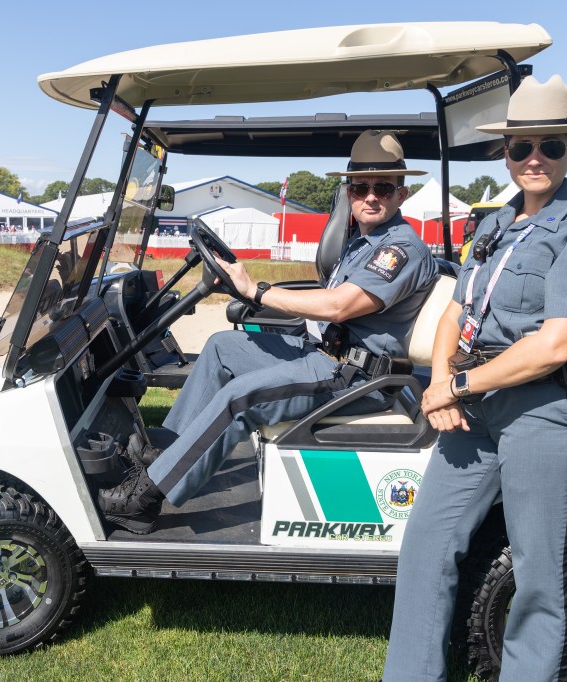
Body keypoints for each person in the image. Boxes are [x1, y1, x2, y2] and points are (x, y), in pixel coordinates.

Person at [382, 75, 567, 681]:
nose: (534, 158)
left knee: (541, 575)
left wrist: (458, 386)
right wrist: (441, 383)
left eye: (551, 145)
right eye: (521, 147)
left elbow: (555, 344)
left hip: (541, 412)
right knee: (425, 549)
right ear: (505, 153)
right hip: (471, 409)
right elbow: (456, 314)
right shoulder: (491, 226)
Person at [98, 130, 440, 534]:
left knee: (240, 398)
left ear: (402, 194)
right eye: (360, 186)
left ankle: (143, 500)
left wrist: (256, 289)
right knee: (223, 347)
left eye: (383, 187)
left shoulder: (399, 249)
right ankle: (170, 454)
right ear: (348, 191)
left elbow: (339, 305)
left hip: (356, 378)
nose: (370, 196)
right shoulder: (362, 242)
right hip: (326, 357)